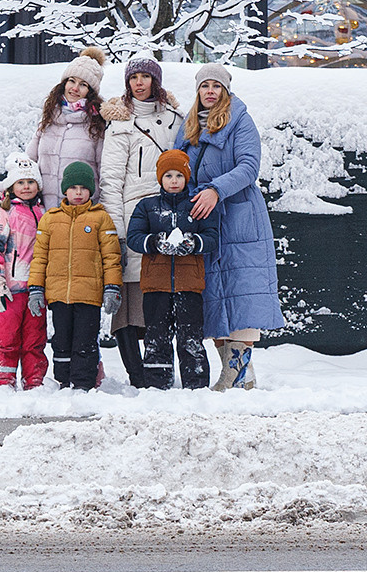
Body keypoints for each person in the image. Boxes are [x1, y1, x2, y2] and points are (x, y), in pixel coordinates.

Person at [178, 61, 282, 389]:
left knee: (241, 292)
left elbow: (249, 167)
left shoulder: (240, 120)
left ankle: (235, 373)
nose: (210, 92)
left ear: (225, 90)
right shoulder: (189, 124)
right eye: (205, 86)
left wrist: (215, 189)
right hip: (205, 220)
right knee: (214, 295)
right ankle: (239, 375)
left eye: (216, 86)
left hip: (238, 216)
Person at [97, 55, 184, 387]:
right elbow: (111, 181)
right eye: (134, 77)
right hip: (134, 215)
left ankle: (161, 371)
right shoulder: (119, 123)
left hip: (170, 214)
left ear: (155, 81)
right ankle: (138, 376)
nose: (139, 83)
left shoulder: (176, 120)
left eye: (146, 77)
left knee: (162, 295)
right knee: (129, 301)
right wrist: (117, 231)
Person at [24, 160, 122, 390]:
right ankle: (63, 381)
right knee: (61, 340)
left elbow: (111, 257)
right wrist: (35, 289)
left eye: (84, 188)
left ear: (91, 190)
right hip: (58, 295)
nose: (78, 193)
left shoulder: (101, 218)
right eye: (73, 188)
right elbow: (39, 258)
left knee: (85, 341)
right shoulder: (50, 218)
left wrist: (112, 287)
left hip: (89, 295)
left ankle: (83, 384)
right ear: (64, 190)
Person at [123, 149, 211, 391]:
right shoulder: (147, 206)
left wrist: (194, 243)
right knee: (156, 335)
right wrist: (154, 242)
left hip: (190, 285)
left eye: (179, 176)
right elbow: (134, 237)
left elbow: (212, 237)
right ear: (160, 178)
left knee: (190, 336)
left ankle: (196, 384)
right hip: (156, 284)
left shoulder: (196, 205)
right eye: (169, 176)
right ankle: (156, 384)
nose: (174, 181)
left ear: (187, 178)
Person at [0, 156, 49, 390]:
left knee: (35, 339)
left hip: (37, 289)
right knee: (7, 337)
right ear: (11, 187)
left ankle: (34, 383)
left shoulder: (44, 213)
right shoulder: (3, 213)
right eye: (21, 183)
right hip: (11, 289)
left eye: (31, 182)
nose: (27, 187)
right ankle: (2, 382)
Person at [28, 49, 108, 202]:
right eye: (72, 81)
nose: (75, 88)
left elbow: (104, 172)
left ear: (90, 92)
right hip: (45, 212)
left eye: (83, 84)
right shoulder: (49, 117)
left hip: (80, 213)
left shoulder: (97, 124)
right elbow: (28, 162)